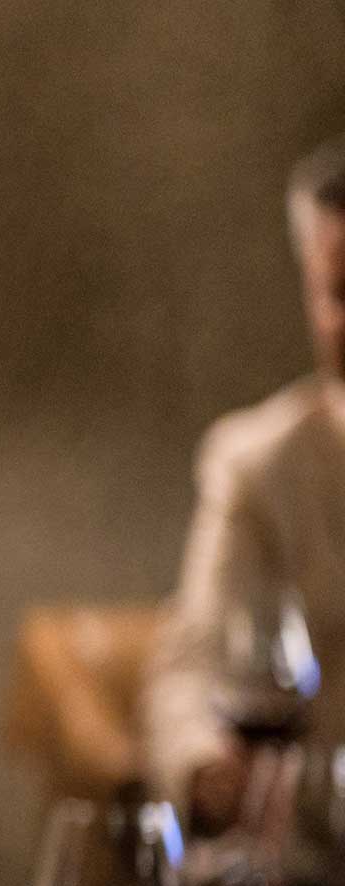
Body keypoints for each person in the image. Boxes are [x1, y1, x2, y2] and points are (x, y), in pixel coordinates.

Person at [145, 133, 345, 837]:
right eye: (341, 293)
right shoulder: (259, 463)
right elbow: (189, 674)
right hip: (315, 882)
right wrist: (204, 768)